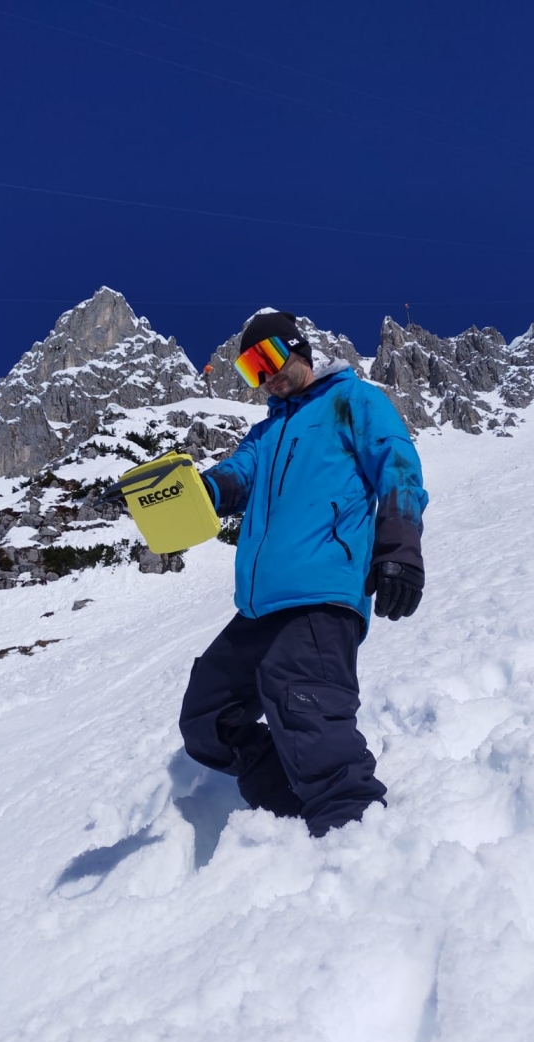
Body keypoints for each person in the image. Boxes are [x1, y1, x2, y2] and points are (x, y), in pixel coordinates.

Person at [179, 311, 428, 837]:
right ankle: (289, 815)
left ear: (298, 348)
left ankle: (353, 828)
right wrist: (178, 495)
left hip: (321, 593)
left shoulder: (353, 401)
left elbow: (399, 465)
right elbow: (233, 478)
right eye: (249, 369)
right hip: (260, 605)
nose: (263, 376)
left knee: (302, 700)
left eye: (267, 359)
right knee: (207, 717)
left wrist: (400, 548)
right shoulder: (265, 431)